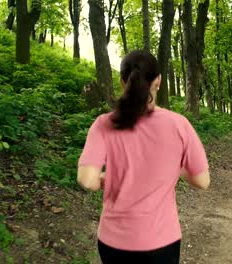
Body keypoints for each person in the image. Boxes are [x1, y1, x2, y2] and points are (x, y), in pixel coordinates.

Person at [77, 50, 210, 264]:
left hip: (114, 242)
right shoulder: (179, 125)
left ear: (122, 82)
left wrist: (106, 179)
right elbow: (202, 181)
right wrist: (174, 168)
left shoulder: (103, 124)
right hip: (162, 243)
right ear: (158, 80)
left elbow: (86, 180)